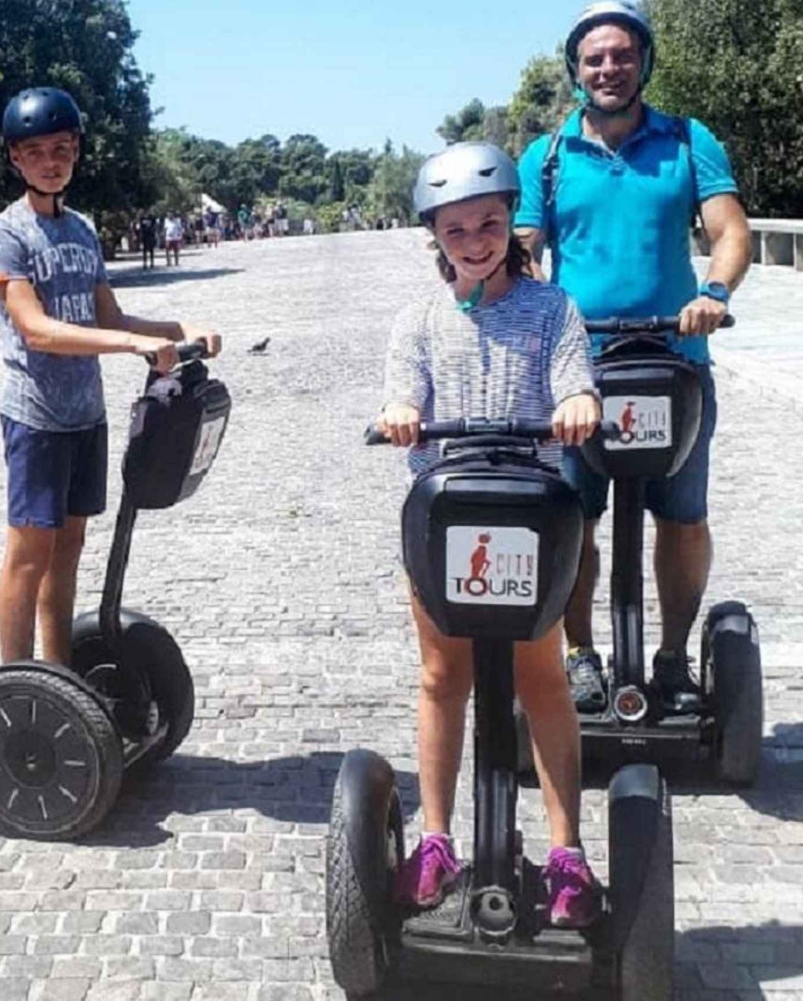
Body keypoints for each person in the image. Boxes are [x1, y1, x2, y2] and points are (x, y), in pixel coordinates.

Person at [377, 143, 603, 927]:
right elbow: (403, 391)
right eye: (456, 229)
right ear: (435, 237)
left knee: (542, 677)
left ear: (512, 223)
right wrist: (401, 413)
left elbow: (574, 380)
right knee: (444, 676)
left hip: (528, 521)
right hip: (445, 520)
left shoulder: (553, 310)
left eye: (489, 223)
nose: (474, 240)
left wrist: (577, 402)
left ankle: (567, 850)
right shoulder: (419, 320)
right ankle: (437, 839)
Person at [514, 1, 752, 714]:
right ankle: (581, 656)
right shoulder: (547, 156)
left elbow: (730, 230)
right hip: (577, 371)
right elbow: (523, 244)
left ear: (643, 61)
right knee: (572, 519)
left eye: (622, 55)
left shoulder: (686, 139)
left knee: (682, 516)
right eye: (595, 59)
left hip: (674, 362)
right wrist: (527, 286)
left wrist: (713, 291)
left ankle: (673, 657)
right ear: (576, 69)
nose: (609, 69)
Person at [0, 87, 222, 670]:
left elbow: (108, 318)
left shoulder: (82, 230)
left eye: (61, 149)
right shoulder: (6, 234)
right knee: (29, 554)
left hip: (85, 414)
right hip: (37, 416)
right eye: (36, 152)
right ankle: (15, 682)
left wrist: (179, 328)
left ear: (76, 151)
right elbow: (36, 329)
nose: (50, 162)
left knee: (69, 547)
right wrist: (133, 345)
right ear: (15, 158)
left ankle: (59, 671)